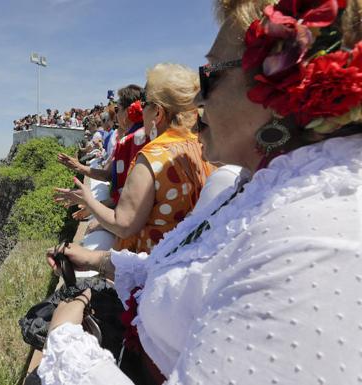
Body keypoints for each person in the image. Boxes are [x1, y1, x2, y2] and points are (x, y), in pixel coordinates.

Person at [38, 0, 362, 384]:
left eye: (209, 76)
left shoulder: (315, 244)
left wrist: (65, 340)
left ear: (281, 92)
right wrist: (103, 262)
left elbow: (128, 224)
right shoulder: (257, 186)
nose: (200, 101)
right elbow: (196, 272)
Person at [55, 64, 216, 253]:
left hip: (149, 265)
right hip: (185, 258)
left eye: (145, 103)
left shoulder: (152, 157)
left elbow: (123, 224)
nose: (141, 109)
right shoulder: (204, 147)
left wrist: (88, 200)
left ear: (158, 112)